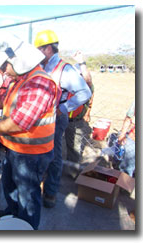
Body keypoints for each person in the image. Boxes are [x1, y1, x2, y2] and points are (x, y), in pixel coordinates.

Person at [0, 34, 60, 230]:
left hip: (32, 153)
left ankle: (26, 225)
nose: (3, 73)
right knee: (9, 186)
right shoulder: (18, 79)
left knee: (28, 195)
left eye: (4, 67)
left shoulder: (39, 82)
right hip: (14, 148)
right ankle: (13, 212)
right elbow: (2, 102)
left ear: (15, 60)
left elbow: (20, 123)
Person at [34, 30, 91, 208]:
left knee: (54, 155)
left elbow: (85, 92)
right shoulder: (41, 67)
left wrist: (63, 108)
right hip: (39, 119)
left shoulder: (64, 69)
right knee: (39, 152)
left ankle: (50, 192)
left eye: (39, 49)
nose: (36, 53)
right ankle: (37, 186)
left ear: (48, 49)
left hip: (56, 119)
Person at [64, 51, 94, 164]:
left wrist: (81, 62)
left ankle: (71, 171)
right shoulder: (67, 83)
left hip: (75, 122)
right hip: (61, 118)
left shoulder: (85, 86)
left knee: (74, 150)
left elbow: (88, 80)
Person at [117, 100, 135, 177]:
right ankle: (124, 185)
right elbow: (128, 118)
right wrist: (122, 134)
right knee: (128, 166)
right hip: (133, 138)